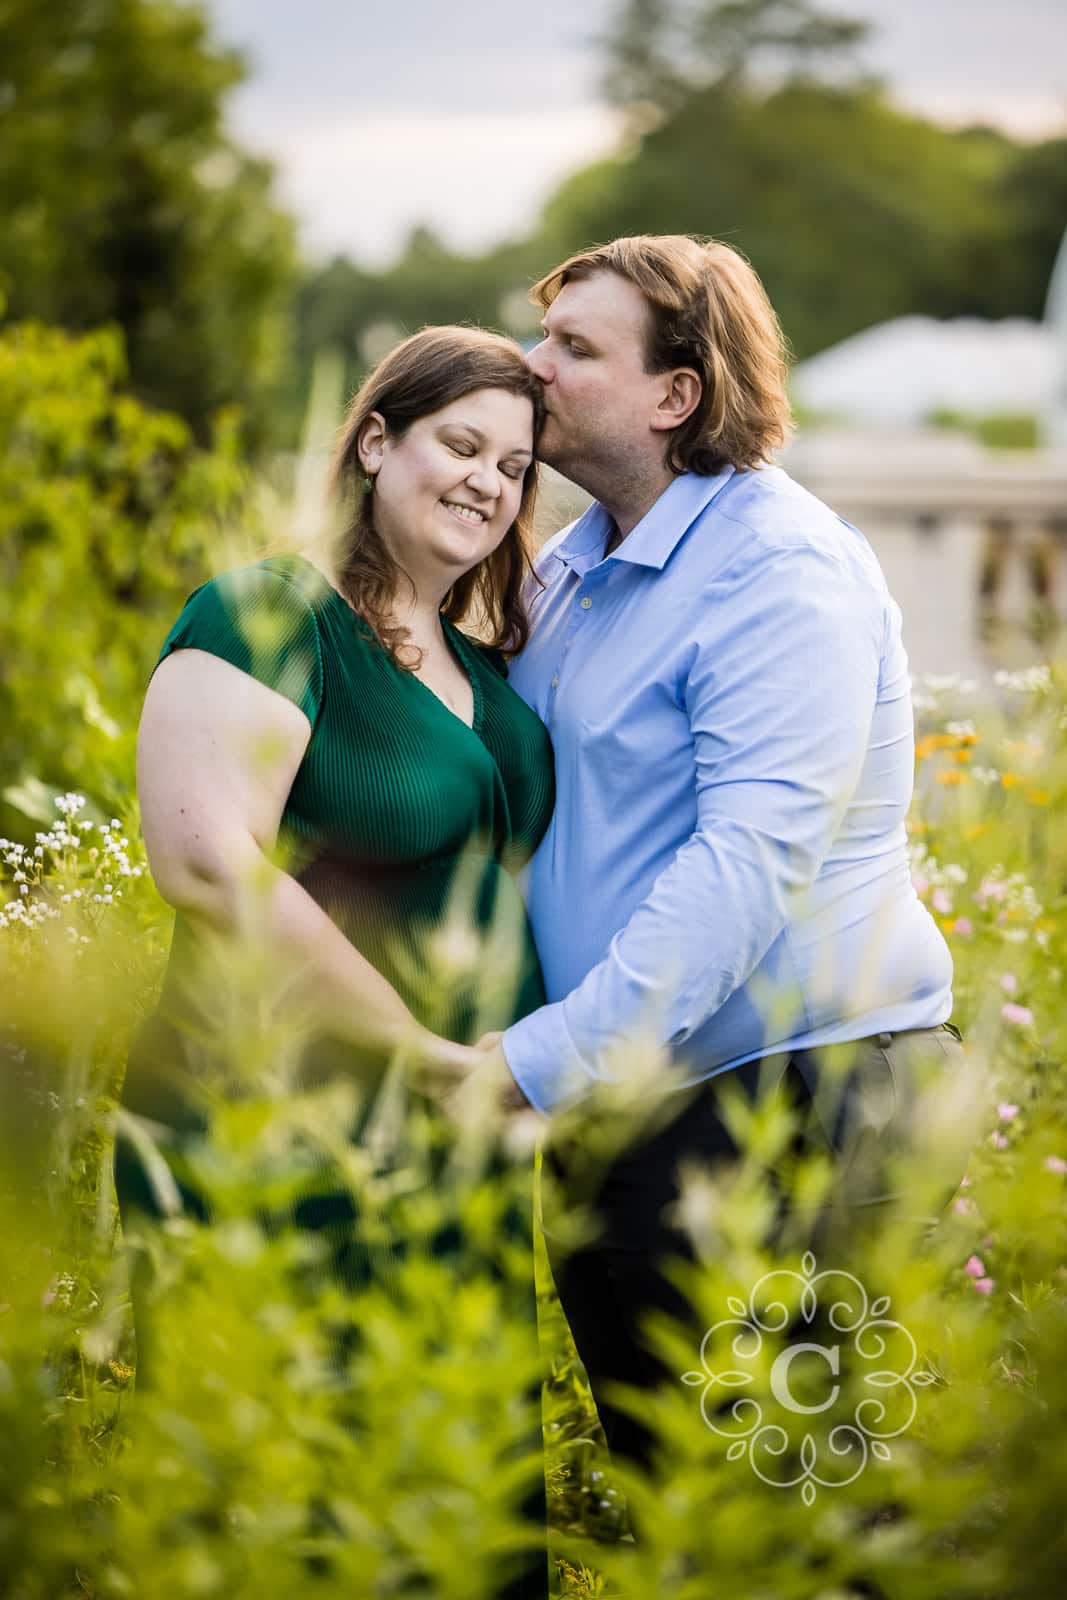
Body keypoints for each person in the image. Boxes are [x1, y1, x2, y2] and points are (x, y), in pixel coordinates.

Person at [473, 234, 968, 1473]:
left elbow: (748, 863)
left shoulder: (773, 570)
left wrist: (532, 1066)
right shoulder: (580, 566)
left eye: (572, 348)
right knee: (684, 1513)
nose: (532, 370)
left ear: (673, 394)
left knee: (802, 1522)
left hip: (792, 1116)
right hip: (638, 1101)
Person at [114, 325, 553, 1598]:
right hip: (273, 1121)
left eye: (516, 466)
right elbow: (205, 860)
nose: (488, 482)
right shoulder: (266, 613)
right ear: (375, 441)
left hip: (446, 1133)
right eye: (460, 444)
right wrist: (418, 1052)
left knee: (444, 1492)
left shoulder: (487, 669)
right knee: (279, 1490)